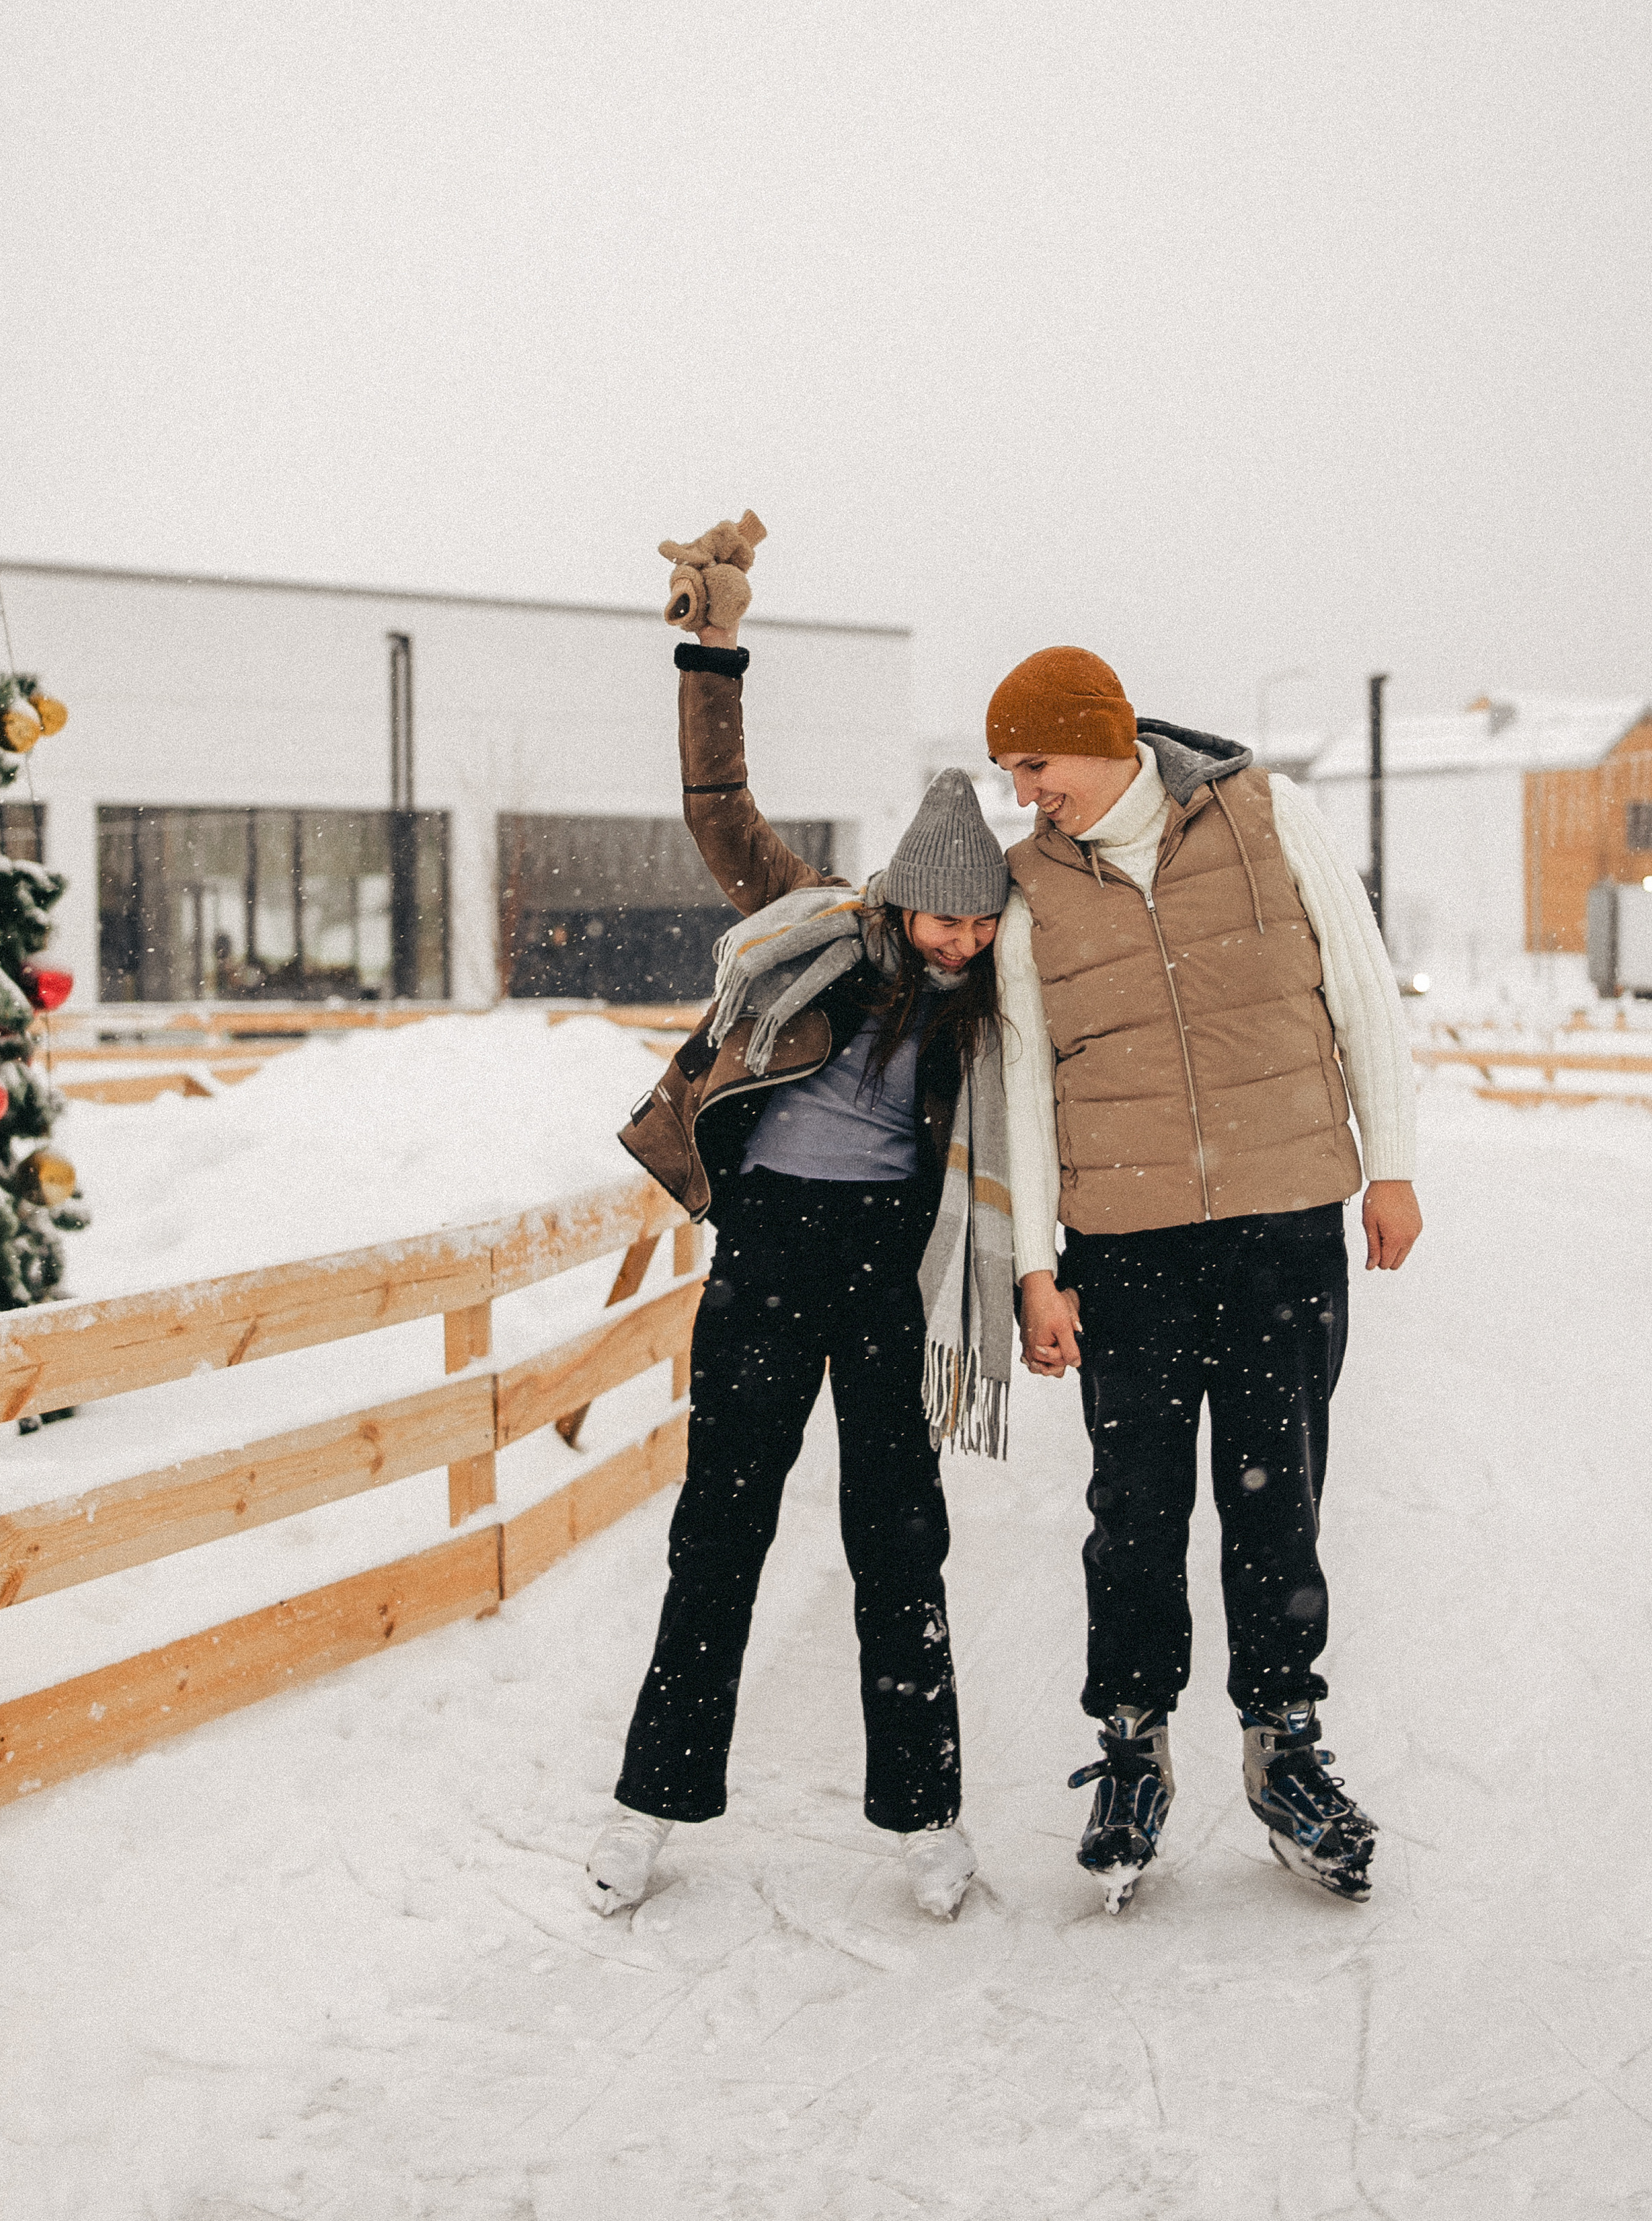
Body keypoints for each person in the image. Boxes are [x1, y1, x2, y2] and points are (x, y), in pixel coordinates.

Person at [586, 518, 1018, 1925]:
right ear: (901, 897)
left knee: (899, 1543)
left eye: (982, 926)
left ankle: (927, 1816)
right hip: (768, 1253)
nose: (961, 942)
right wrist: (712, 650)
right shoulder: (811, 922)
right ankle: (648, 1806)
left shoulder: (984, 1011)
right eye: (944, 920)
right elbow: (720, 808)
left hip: (887, 1272)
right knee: (719, 1533)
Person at [987, 645, 1422, 1910]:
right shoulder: (1029, 887)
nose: (1025, 793)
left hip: (1284, 1224)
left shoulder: (1269, 815)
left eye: (1037, 763)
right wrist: (1036, 1270)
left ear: (1101, 735)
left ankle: (1285, 1746)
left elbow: (1364, 992)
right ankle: (1133, 1747)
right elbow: (1025, 1080)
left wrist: (1391, 1165)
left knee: (1276, 1496)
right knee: (1134, 1508)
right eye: (1010, 771)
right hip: (1125, 1247)